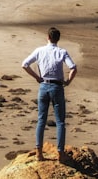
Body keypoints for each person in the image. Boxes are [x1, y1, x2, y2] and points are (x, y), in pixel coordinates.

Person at [22, 26, 77, 162]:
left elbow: (25, 64)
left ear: (48, 37)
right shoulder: (62, 52)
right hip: (57, 87)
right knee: (60, 122)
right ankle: (60, 154)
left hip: (43, 86)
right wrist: (68, 81)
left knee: (41, 120)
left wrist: (37, 77)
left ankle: (39, 153)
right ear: (58, 39)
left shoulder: (39, 50)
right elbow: (73, 68)